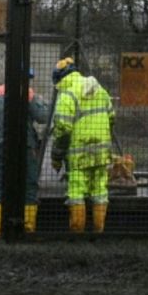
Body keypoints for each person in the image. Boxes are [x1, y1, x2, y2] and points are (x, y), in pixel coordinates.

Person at [0, 69, 49, 237]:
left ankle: (0, 230)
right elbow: (43, 117)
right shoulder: (28, 94)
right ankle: (28, 229)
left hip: (0, 146)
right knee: (29, 186)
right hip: (25, 146)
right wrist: (43, 103)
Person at [50, 57, 116, 233]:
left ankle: (77, 234)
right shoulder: (100, 89)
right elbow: (111, 117)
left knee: (77, 192)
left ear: (59, 78)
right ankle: (98, 231)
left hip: (79, 156)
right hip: (102, 153)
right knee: (100, 191)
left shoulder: (67, 94)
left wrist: (56, 156)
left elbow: (63, 130)